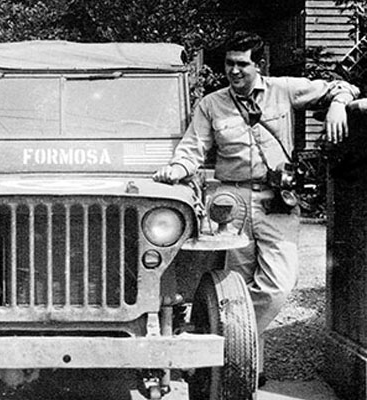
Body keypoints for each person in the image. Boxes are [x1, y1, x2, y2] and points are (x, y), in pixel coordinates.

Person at [153, 31, 359, 386]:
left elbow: (341, 86)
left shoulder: (283, 90)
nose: (233, 71)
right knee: (237, 281)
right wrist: (177, 168)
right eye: (229, 64)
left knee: (279, 284)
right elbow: (193, 148)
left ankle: (223, 339)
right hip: (231, 205)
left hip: (277, 199)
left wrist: (338, 103)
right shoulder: (211, 104)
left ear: (259, 66)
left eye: (242, 64)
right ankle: (250, 370)